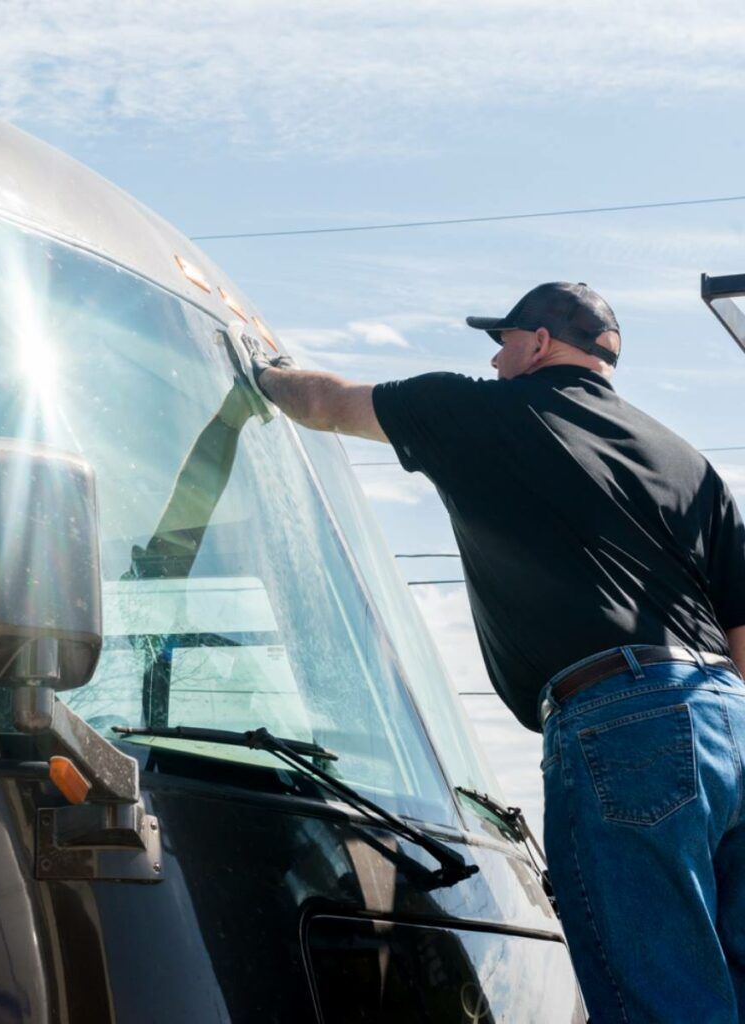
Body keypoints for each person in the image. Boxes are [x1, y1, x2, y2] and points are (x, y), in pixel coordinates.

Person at [238, 282, 745, 1023]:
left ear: (538, 344)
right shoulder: (690, 462)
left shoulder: (477, 410)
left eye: (503, 341)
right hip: (730, 724)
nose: (495, 358)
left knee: (661, 1002)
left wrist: (262, 369)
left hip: (626, 723)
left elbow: (326, 404)